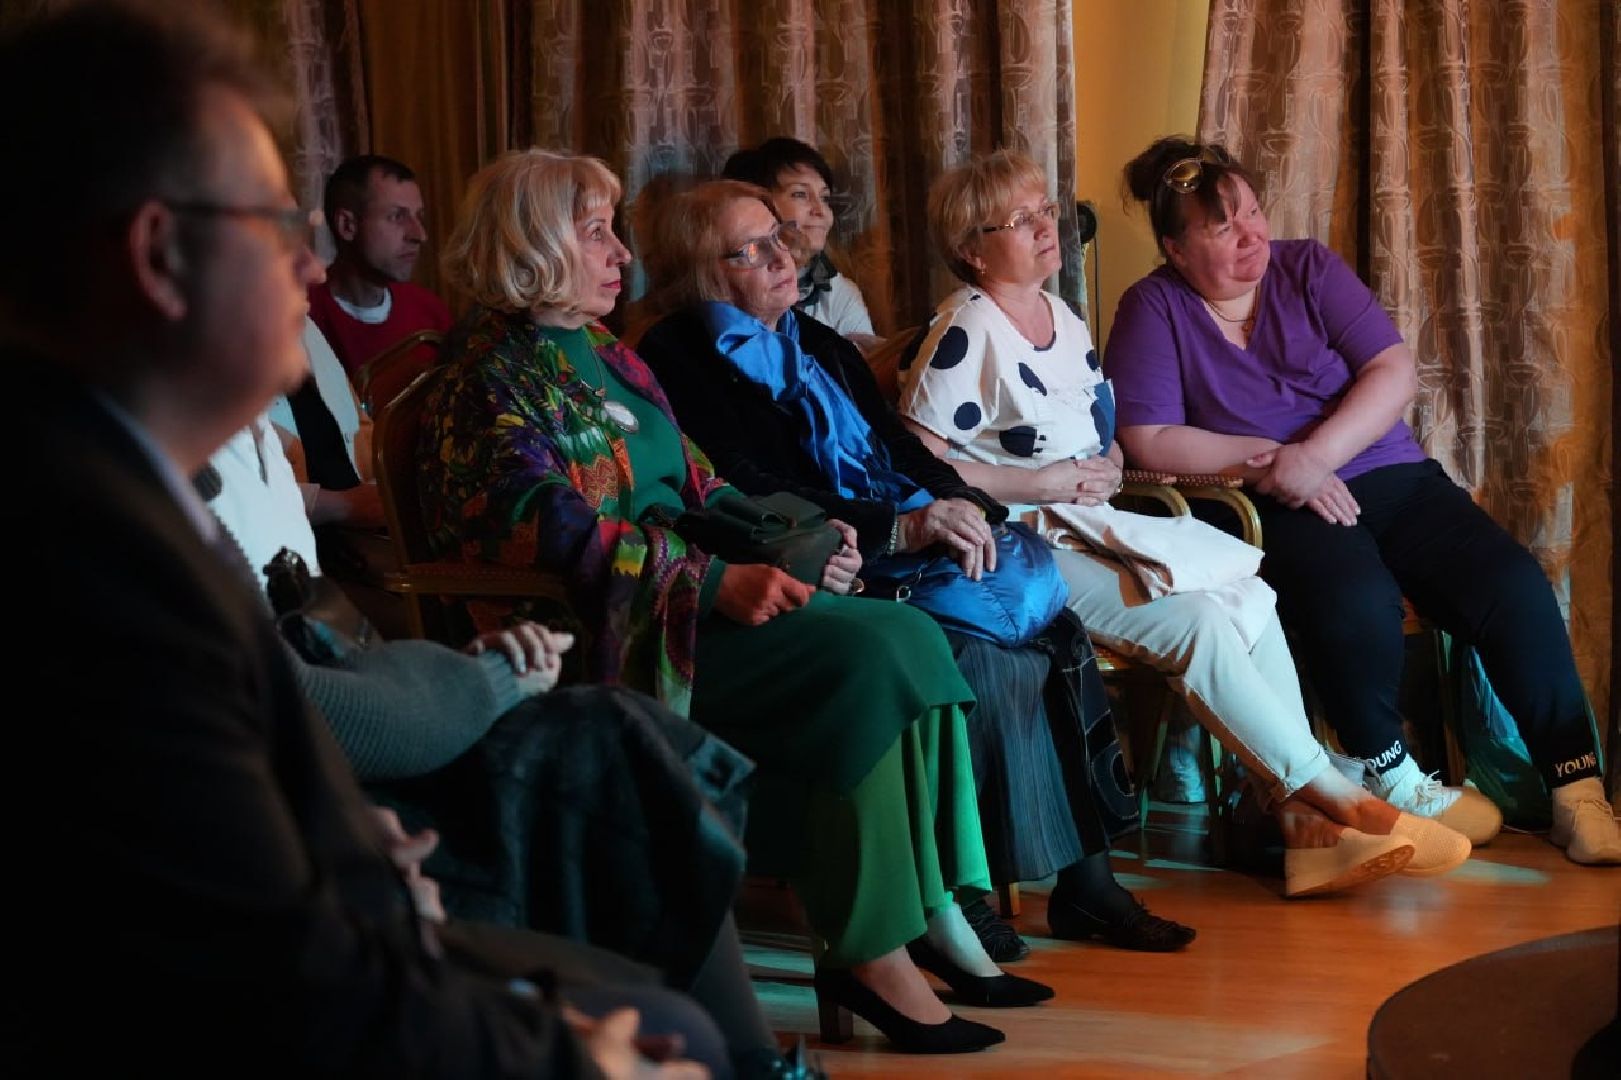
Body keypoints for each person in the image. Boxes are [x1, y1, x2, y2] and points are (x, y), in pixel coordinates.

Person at [1, 3, 713, 1074]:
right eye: (278, 228)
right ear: (160, 255)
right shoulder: (84, 547)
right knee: (667, 1024)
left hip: (340, 866)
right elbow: (263, 979)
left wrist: (346, 830)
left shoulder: (129, 485)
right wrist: (573, 1059)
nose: (311, 271)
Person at [417, 147, 1058, 1054]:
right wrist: (715, 581)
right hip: (609, 635)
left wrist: (793, 530)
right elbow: (548, 538)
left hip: (686, 597)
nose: (618, 255)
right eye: (592, 232)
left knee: (900, 634)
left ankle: (919, 914)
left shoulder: (604, 353)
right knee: (869, 653)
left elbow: (701, 482)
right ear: (526, 244)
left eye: (611, 230)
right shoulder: (486, 380)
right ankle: (875, 946)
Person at [631, 177, 1200, 946]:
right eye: (752, 248)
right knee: (972, 647)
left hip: (899, 535)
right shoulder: (677, 358)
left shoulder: (813, 338)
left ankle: (1087, 883)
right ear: (703, 271)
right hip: (825, 555)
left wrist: (956, 504)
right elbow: (746, 485)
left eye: (779, 235)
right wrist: (902, 526)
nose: (782, 254)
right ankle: (949, 891)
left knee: (1053, 631)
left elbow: (898, 445)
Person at [896, 149, 1475, 895]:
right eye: (1020, 220)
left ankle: (1306, 834)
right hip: (1018, 543)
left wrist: (1103, 462)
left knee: (1249, 591)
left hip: (1092, 518)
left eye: (1046, 210)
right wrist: (1035, 481)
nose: (1046, 228)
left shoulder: (1061, 318)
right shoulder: (965, 331)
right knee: (1196, 625)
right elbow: (915, 468)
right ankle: (1338, 800)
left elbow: (1095, 428)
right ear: (972, 250)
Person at [204, 429, 818, 1079]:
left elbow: (325, 659)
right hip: (312, 813)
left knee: (614, 736)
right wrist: (486, 681)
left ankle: (761, 1056)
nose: (297, 343)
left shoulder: (236, 447)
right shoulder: (139, 490)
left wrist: (462, 675)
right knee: (605, 744)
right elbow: (307, 713)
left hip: (358, 738)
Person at [1104, 136, 1620, 866]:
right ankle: (1390, 774)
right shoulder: (1152, 305)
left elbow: (1391, 369)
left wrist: (1316, 456)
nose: (1252, 235)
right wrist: (1273, 465)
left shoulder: (1309, 265)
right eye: (1222, 228)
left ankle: (1577, 791)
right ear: (1175, 248)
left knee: (1509, 584)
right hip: (1271, 500)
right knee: (1354, 598)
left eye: (1252, 212)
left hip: (1385, 475)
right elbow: (1148, 437)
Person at [308, 153, 453, 387]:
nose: (419, 235)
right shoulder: (302, 320)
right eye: (397, 216)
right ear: (347, 226)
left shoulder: (431, 314)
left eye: (418, 217)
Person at [721, 137, 878, 350]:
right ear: (755, 201)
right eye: (800, 194)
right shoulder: (728, 287)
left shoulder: (836, 290)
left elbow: (866, 368)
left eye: (824, 198)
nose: (820, 210)